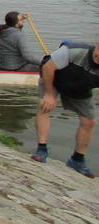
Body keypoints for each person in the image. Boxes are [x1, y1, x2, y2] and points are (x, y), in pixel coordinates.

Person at [31, 41, 99, 177]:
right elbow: (48, 68)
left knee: (89, 121)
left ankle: (77, 160)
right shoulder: (73, 51)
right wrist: (49, 94)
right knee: (45, 106)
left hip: (81, 86)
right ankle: (41, 150)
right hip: (54, 78)